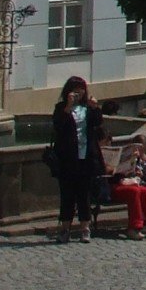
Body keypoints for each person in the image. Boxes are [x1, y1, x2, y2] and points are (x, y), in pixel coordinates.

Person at [50, 74, 106, 242]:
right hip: (68, 159)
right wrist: (68, 106)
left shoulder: (87, 108)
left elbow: (98, 124)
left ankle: (85, 228)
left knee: (84, 195)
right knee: (67, 195)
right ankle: (65, 228)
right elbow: (58, 126)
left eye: (81, 92)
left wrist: (96, 108)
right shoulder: (61, 108)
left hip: (86, 158)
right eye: (75, 92)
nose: (78, 95)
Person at [110, 134, 146, 238]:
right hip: (110, 185)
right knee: (134, 191)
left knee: (143, 191)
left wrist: (132, 165)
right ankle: (134, 227)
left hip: (125, 182)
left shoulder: (140, 158)